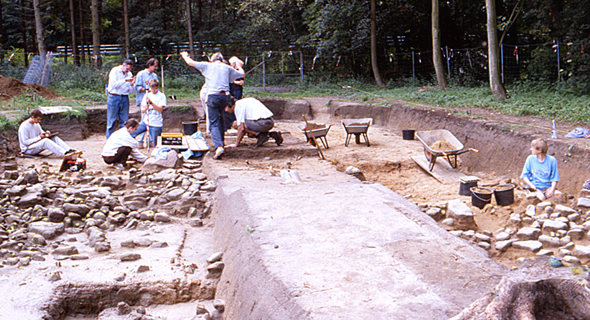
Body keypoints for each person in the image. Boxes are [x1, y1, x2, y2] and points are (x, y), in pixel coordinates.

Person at [180, 51, 244, 160]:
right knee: (222, 119)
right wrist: (238, 66)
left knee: (214, 122)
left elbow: (190, 62)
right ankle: (222, 142)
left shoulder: (207, 65)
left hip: (213, 96)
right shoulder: (226, 67)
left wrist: (185, 55)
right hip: (225, 97)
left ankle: (218, 147)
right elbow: (241, 74)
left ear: (212, 60)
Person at [130, 79, 166, 148]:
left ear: (158, 87)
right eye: (152, 89)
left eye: (155, 89)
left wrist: (151, 103)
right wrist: (145, 108)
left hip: (156, 123)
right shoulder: (147, 95)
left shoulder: (162, 96)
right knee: (132, 133)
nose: (154, 91)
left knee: (156, 144)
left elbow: (160, 110)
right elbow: (142, 111)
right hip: (146, 121)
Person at [106, 59, 136, 139]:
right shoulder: (114, 71)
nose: (128, 71)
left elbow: (131, 91)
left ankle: (122, 140)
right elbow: (113, 85)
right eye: (127, 69)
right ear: (123, 65)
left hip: (124, 97)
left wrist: (132, 84)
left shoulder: (129, 74)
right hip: (114, 97)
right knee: (111, 121)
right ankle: (109, 140)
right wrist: (125, 80)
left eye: (129, 69)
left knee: (124, 121)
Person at [134, 58, 159, 145]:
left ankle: (151, 140)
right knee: (144, 120)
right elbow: (137, 87)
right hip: (143, 100)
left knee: (152, 120)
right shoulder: (141, 74)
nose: (156, 68)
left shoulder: (155, 76)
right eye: (155, 66)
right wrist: (147, 90)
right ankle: (140, 141)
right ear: (149, 65)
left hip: (153, 102)